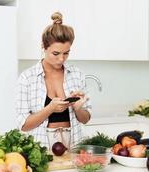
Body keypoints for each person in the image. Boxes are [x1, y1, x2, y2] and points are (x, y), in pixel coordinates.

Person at [16, 12, 92, 148]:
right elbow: (24, 126)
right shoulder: (27, 78)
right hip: (42, 150)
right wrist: (50, 108)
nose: (61, 59)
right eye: (56, 53)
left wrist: (78, 108)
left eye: (66, 53)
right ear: (43, 47)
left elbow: (85, 119)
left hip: (74, 148)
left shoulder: (77, 74)